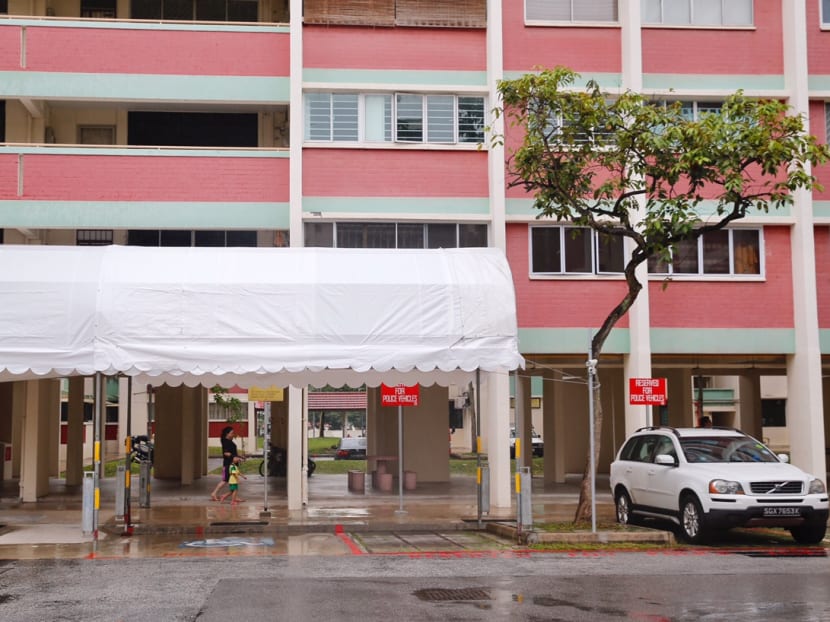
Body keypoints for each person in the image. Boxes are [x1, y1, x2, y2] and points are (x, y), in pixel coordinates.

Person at [210, 425, 243, 501]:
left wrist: (238, 456)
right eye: (232, 433)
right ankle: (214, 493)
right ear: (227, 434)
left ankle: (234, 497)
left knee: (233, 480)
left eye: (233, 433)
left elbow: (232, 452)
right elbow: (226, 453)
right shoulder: (225, 442)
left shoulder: (229, 441)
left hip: (232, 464)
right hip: (228, 464)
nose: (233, 434)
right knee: (225, 480)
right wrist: (234, 457)